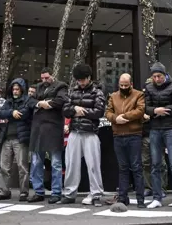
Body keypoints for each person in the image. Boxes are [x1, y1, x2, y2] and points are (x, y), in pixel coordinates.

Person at [21, 67, 68, 204]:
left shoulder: (61, 86)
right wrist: (40, 103)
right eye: (42, 78)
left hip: (53, 127)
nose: (44, 80)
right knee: (36, 163)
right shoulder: (38, 87)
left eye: (47, 78)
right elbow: (29, 101)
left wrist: (48, 103)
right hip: (38, 128)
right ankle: (38, 191)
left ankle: (56, 192)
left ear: (52, 76)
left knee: (56, 163)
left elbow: (61, 100)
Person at [61, 63, 105, 206]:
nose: (80, 82)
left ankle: (96, 193)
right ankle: (69, 193)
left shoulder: (97, 92)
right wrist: (75, 109)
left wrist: (83, 111)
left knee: (93, 164)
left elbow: (99, 112)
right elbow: (65, 109)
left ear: (88, 78)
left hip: (90, 132)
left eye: (83, 79)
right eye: (78, 80)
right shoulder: (72, 91)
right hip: (75, 131)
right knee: (71, 163)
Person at [144, 62, 172, 209]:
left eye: (159, 76)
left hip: (171, 128)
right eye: (154, 76)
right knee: (155, 165)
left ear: (164, 75)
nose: (157, 79)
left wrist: (163, 110)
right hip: (155, 128)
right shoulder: (148, 88)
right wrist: (155, 111)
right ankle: (157, 197)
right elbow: (146, 108)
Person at [105, 73, 146, 207]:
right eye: (121, 85)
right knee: (123, 168)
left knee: (136, 167)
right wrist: (115, 118)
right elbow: (108, 112)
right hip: (118, 134)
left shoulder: (138, 95)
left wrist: (124, 116)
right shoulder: (113, 96)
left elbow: (140, 110)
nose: (123, 87)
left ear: (131, 84)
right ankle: (123, 198)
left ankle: (140, 199)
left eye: (126, 85)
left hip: (133, 134)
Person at [0, 78, 30, 201]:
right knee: (4, 167)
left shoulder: (27, 100)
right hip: (7, 138)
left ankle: (24, 192)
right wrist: (12, 112)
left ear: (22, 90)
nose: (15, 91)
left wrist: (11, 114)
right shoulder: (8, 101)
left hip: (20, 138)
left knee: (22, 167)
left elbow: (24, 113)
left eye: (17, 89)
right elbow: (0, 113)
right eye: (14, 89)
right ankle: (4, 191)